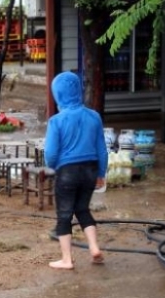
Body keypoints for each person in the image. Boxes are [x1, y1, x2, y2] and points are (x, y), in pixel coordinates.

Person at [44, 71, 108, 270]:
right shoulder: (94, 116)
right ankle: (94, 247)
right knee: (82, 209)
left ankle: (66, 259)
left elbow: (51, 153)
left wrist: (54, 166)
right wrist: (101, 173)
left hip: (67, 171)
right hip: (90, 170)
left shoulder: (56, 121)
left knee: (64, 215)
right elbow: (102, 149)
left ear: (58, 95)